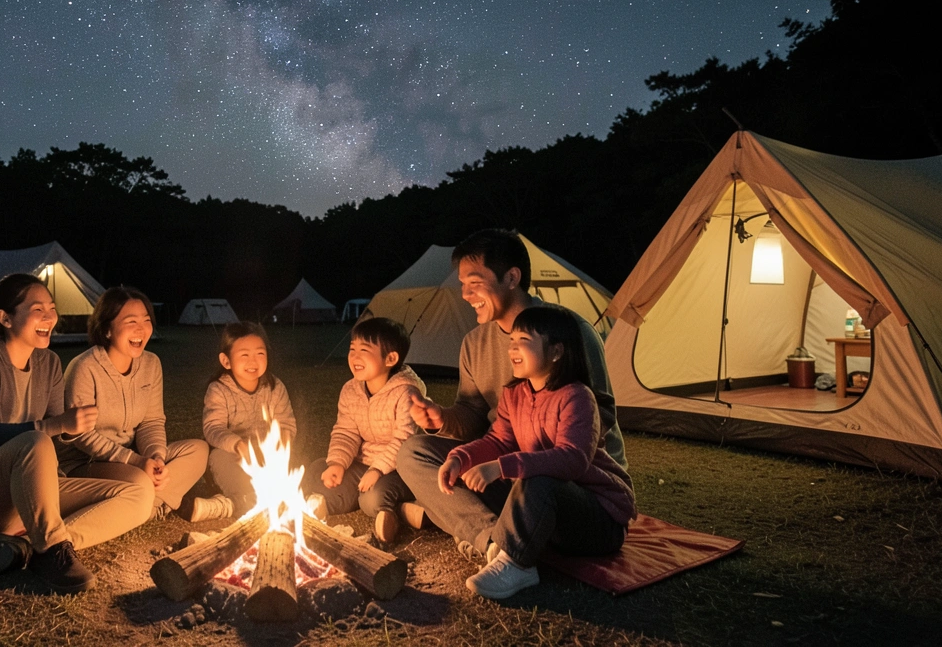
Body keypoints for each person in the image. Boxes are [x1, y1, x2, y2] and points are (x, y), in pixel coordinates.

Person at [397, 228, 626, 562]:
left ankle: (496, 531)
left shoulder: (568, 331)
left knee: (537, 480)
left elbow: (600, 416)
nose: (464, 294)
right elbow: (473, 415)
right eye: (461, 284)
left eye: (474, 283)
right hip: (505, 466)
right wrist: (442, 419)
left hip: (570, 479)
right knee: (414, 452)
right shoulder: (475, 344)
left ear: (511, 277)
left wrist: (523, 454)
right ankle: (491, 540)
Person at [0, 274, 151, 593]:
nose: (50, 316)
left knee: (139, 490)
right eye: (38, 309)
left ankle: (34, 549)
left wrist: (76, 427)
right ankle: (50, 550)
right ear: (5, 318)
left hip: (27, 494)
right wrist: (61, 424)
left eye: (51, 307)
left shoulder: (48, 363)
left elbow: (56, 432)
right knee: (33, 440)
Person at [445, 306, 635, 599]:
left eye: (523, 340)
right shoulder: (515, 394)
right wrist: (460, 458)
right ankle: (498, 542)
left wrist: (500, 467)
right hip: (548, 513)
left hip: (597, 518)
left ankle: (516, 564)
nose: (513, 349)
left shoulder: (577, 396)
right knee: (472, 479)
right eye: (511, 341)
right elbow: (499, 440)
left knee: (538, 475)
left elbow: (573, 460)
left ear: (557, 351)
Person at [59, 286, 209, 521]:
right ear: (107, 329)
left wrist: (156, 458)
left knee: (198, 450)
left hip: (133, 456)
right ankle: (150, 504)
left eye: (146, 320)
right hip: (86, 462)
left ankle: (144, 508)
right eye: (131, 321)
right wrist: (136, 462)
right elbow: (82, 436)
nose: (141, 329)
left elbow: (152, 421)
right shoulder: (84, 367)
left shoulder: (151, 364)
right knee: (140, 480)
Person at [302, 318, 428, 543]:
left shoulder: (406, 393)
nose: (355, 356)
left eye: (364, 350)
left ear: (390, 359)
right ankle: (404, 510)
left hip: (397, 468)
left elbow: (404, 440)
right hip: (362, 464)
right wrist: (337, 463)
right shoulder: (351, 390)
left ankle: (395, 513)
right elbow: (345, 431)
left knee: (371, 499)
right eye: (352, 349)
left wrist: (378, 470)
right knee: (318, 471)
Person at [200, 322, 297, 521]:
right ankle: (233, 503)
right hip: (231, 455)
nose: (253, 361)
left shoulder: (275, 387)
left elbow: (286, 423)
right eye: (244, 355)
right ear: (226, 361)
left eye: (260, 354)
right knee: (222, 460)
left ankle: (265, 501)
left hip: (265, 455)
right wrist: (237, 445)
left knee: (284, 478)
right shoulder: (219, 390)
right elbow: (213, 428)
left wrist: (281, 445)